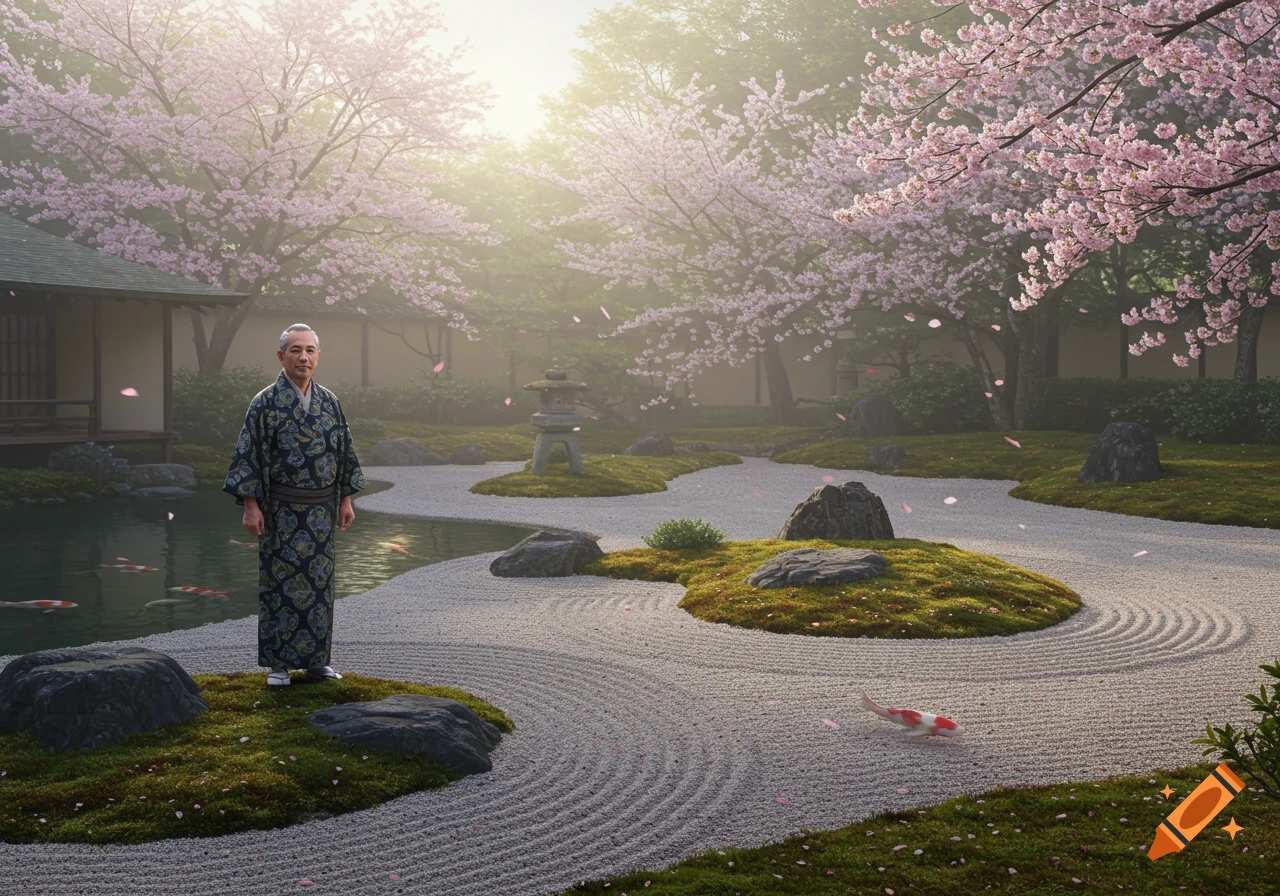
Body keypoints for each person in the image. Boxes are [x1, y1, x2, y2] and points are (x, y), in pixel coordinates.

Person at [223, 323, 365, 687]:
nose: (304, 357)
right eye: (296, 350)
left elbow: (343, 452)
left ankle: (317, 662)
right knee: (280, 586)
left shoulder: (330, 401)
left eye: (310, 350)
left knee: (319, 586)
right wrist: (250, 505)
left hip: (320, 513)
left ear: (318, 355)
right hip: (280, 512)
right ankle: (279, 665)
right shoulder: (265, 402)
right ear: (281, 355)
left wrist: (345, 500)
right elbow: (249, 454)